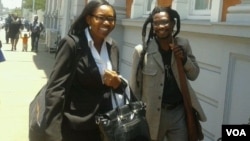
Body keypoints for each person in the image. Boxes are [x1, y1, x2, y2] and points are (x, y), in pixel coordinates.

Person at [41, 1, 127, 141]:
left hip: (105, 127)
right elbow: (56, 90)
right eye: (100, 17)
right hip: (75, 127)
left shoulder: (113, 47)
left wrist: (117, 84)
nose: (106, 22)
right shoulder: (72, 45)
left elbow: (113, 87)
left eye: (111, 19)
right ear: (88, 19)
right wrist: (53, 134)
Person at [129, 6, 207, 141]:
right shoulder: (142, 51)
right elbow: (135, 88)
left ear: (173, 24)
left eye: (164, 22)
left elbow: (194, 75)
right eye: (156, 23)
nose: (160, 26)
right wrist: (136, 116)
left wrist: (183, 59)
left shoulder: (183, 44)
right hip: (151, 115)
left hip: (178, 114)